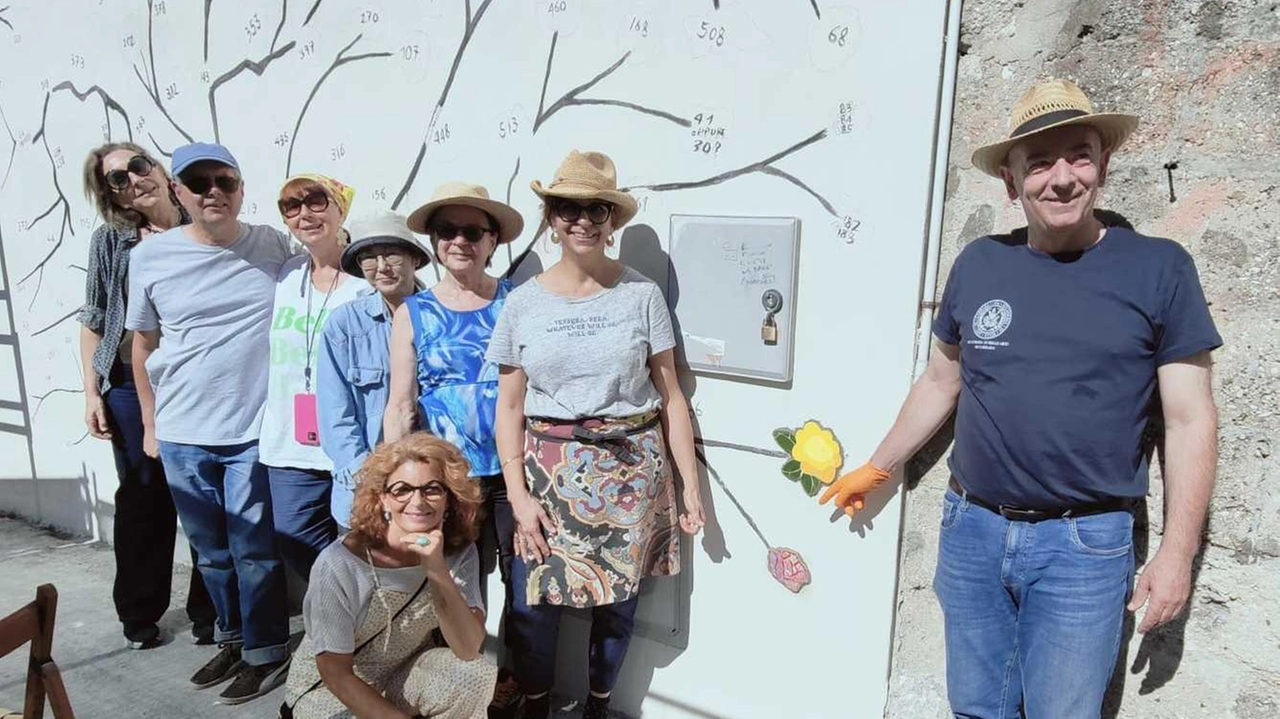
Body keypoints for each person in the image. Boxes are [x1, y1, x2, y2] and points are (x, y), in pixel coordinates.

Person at [819, 80, 1221, 717]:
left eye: (1079, 156)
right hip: (970, 530)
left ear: (1103, 165)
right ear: (1011, 182)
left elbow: (1190, 418)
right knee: (977, 709)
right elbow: (940, 382)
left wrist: (1177, 556)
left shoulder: (1160, 269)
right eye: (1038, 163)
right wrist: (878, 465)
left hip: (1083, 547)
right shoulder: (980, 264)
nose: (1061, 179)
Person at [487, 150, 705, 719]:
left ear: (613, 219)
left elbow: (671, 396)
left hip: (632, 470)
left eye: (596, 208)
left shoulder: (641, 296)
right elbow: (509, 406)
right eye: (567, 207)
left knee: (619, 606)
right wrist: (517, 495)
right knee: (535, 603)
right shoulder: (523, 302)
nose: (582, 219)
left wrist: (690, 487)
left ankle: (598, 706)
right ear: (551, 216)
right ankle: (535, 704)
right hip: (545, 475)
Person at [127, 141, 297, 705]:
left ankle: (267, 651)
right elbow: (143, 343)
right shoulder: (148, 258)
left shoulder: (272, 245)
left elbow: (323, 275)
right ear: (179, 192)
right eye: (198, 183)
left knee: (254, 552)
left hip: (249, 433)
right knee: (211, 554)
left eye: (225, 180)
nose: (213, 192)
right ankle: (232, 637)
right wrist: (151, 426)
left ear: (242, 188)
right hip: (180, 432)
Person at [388, 181, 525, 715]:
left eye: (473, 231)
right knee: (455, 589)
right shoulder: (413, 313)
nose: (460, 241)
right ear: (435, 240)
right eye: (448, 231)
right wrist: (391, 486)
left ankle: (517, 689)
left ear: (493, 240)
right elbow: (400, 404)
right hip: (449, 483)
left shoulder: (519, 301)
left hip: (518, 475)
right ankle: (460, 692)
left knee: (526, 589)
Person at [77, 141, 216, 650]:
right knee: (143, 497)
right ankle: (139, 612)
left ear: (158, 168)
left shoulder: (203, 217)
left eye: (138, 166)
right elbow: (94, 319)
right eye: (117, 178)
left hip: (195, 379)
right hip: (128, 389)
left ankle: (210, 610)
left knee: (206, 494)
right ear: (112, 194)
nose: (134, 179)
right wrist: (91, 392)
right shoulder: (112, 241)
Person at [280, 433, 497, 719]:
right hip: (328, 688)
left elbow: (468, 648)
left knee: (473, 674)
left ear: (449, 499)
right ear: (383, 499)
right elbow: (334, 671)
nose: (417, 501)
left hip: (403, 672)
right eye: (402, 489)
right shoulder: (340, 563)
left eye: (432, 489)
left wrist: (436, 569)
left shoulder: (458, 551)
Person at [260, 174, 368, 580]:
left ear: (341, 209)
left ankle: (361, 636)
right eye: (292, 206)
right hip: (290, 445)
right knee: (296, 542)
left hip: (352, 441)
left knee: (361, 549)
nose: (304, 213)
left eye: (317, 201)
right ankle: (333, 626)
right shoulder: (285, 275)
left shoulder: (367, 279)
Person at [317, 210, 431, 529]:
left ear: (413, 259)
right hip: (365, 489)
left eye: (391, 254)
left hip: (431, 492)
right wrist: (371, 478)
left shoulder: (441, 317)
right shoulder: (344, 325)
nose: (381, 267)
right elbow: (335, 415)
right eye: (368, 258)